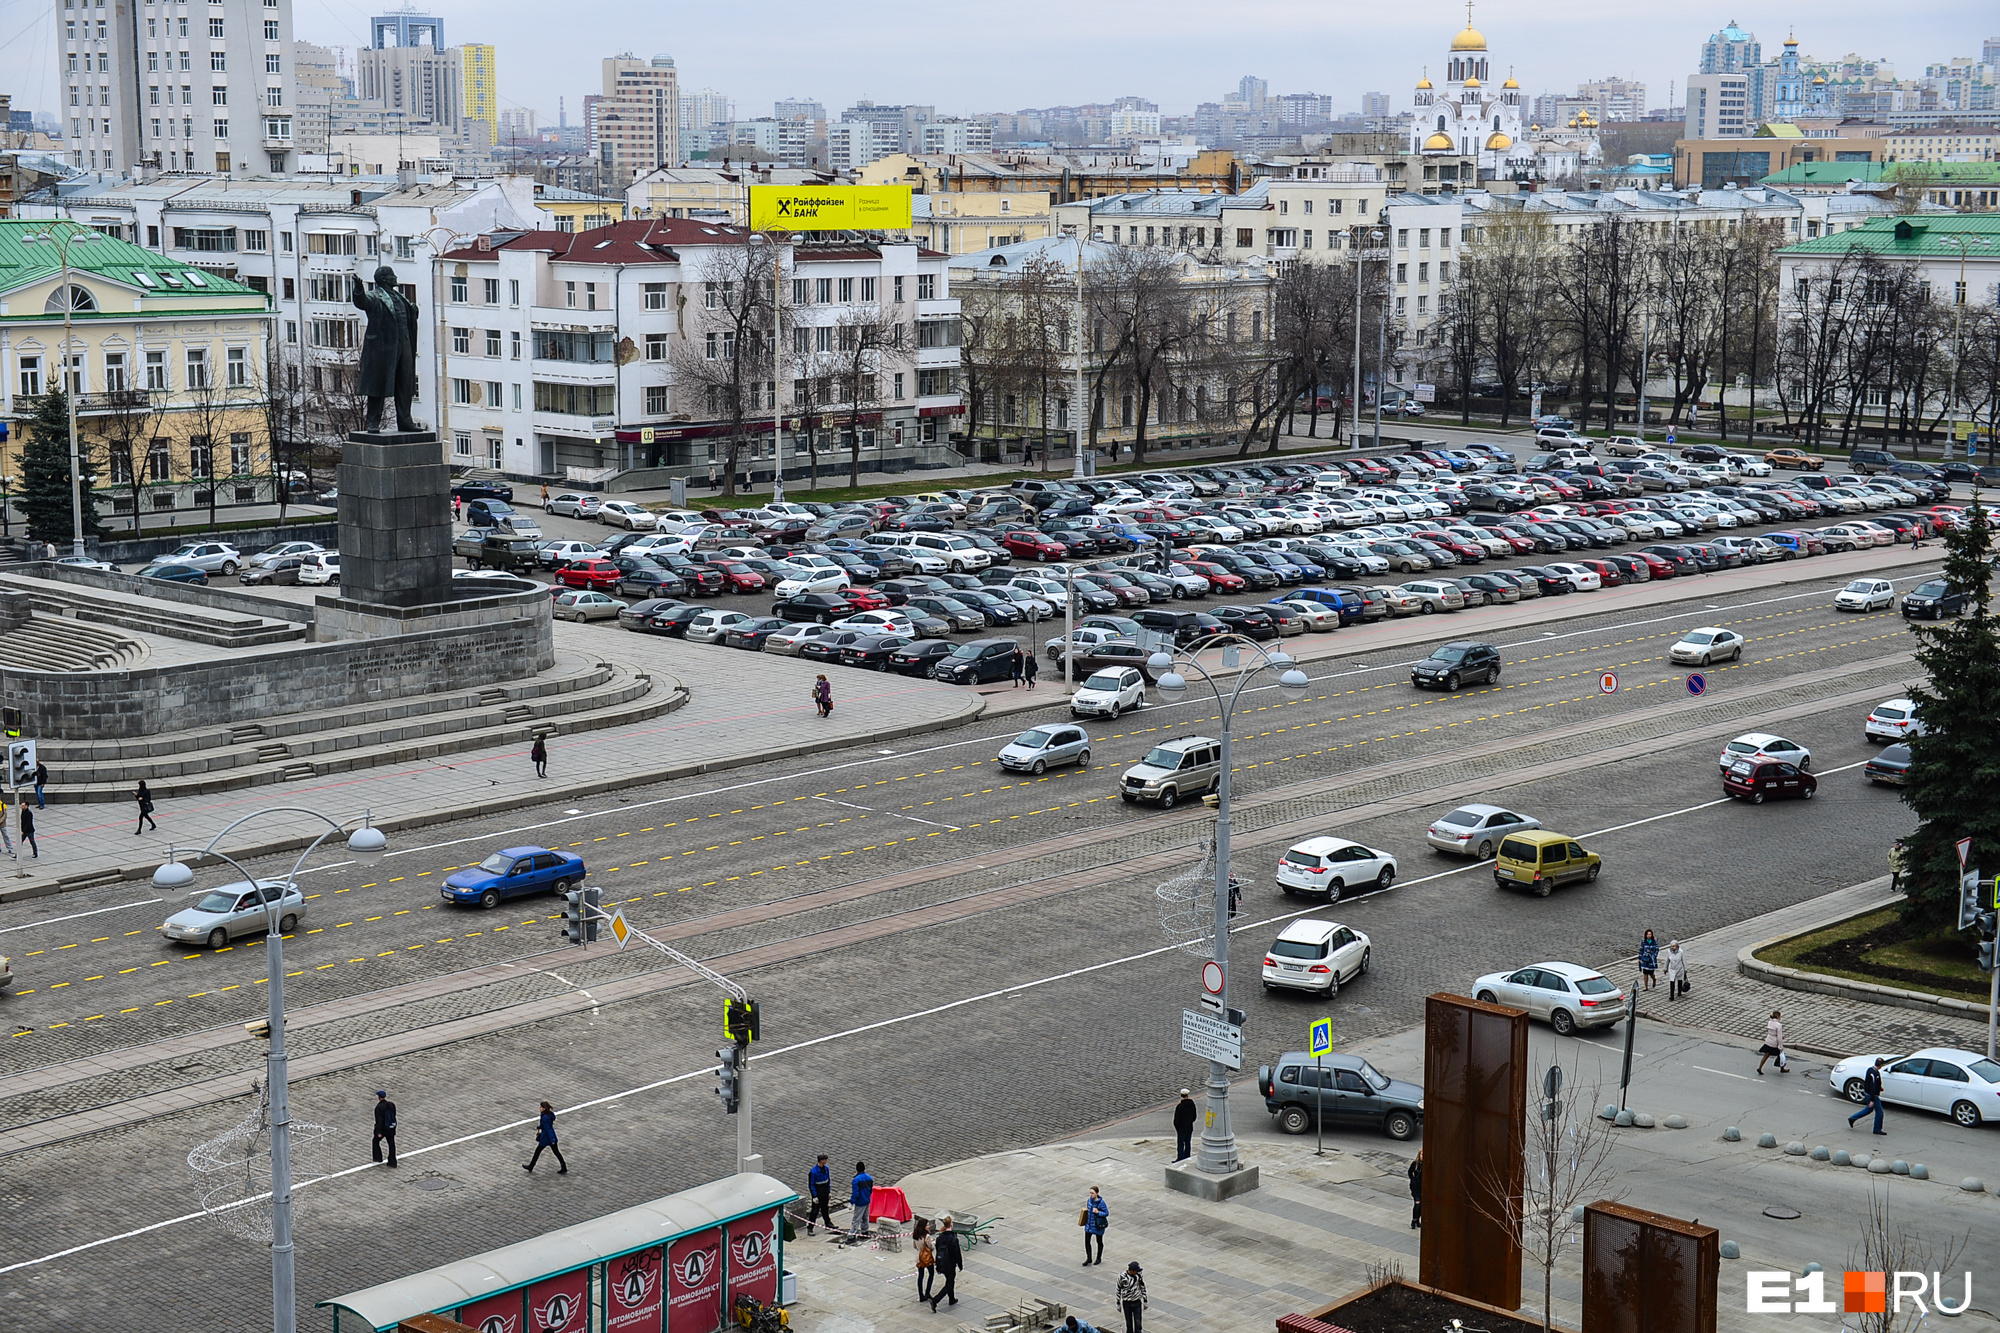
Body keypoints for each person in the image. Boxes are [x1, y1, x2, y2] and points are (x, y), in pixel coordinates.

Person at [928, 1214, 963, 1310]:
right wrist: (960, 1265)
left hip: (941, 1263)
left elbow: (938, 1250)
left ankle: (951, 1299)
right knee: (949, 1284)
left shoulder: (940, 1238)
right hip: (950, 1265)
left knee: (949, 1280)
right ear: (951, 1225)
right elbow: (957, 1253)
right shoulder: (953, 1239)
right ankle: (935, 1301)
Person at [524, 1100, 567, 1174]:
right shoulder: (549, 1115)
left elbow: (548, 1129)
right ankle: (564, 1167)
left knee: (538, 1151)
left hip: (546, 1138)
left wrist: (552, 1139)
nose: (539, 1108)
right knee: (556, 1152)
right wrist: (539, 1127)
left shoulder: (544, 1117)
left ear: (544, 1108)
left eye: (541, 1107)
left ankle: (531, 1166)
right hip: (550, 1137)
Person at [1848, 1058, 1888, 1134]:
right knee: (1879, 1112)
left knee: (1869, 1109)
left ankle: (1853, 1118)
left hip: (1868, 1093)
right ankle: (1877, 1129)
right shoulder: (1875, 1074)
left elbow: (1870, 1083)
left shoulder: (1870, 1070)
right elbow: (1873, 1086)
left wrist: (1879, 1087)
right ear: (1881, 1065)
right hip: (1873, 1095)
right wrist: (1872, 1100)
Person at [1116, 1261, 1148, 1333]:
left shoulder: (1139, 1275)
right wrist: (1118, 1302)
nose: (1137, 1272)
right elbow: (1118, 1289)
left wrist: (1145, 1300)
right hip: (1127, 1302)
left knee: (1138, 1324)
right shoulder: (1122, 1276)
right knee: (1129, 1324)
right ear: (1132, 1270)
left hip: (1137, 1302)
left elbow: (1142, 1286)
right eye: (1136, 1270)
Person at [805, 1154, 833, 1235]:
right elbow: (811, 1185)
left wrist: (829, 1191)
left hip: (825, 1192)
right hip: (818, 1193)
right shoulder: (813, 1172)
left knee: (825, 1208)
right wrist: (814, 1196)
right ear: (821, 1160)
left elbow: (828, 1180)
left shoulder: (826, 1169)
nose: (826, 1161)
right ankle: (810, 1227)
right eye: (825, 1159)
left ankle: (828, 1223)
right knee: (815, 1211)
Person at [1081, 1185, 1108, 1267]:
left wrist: (1098, 1212)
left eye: (1092, 1193)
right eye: (1090, 1193)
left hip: (1097, 1226)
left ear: (1097, 1193)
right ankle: (1089, 1258)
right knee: (1087, 1242)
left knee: (1099, 1242)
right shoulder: (1089, 1201)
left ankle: (1098, 1258)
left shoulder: (1101, 1203)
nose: (1091, 1195)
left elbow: (1106, 1213)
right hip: (1089, 1225)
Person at [1757, 1010, 1789, 1075]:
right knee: (1781, 1055)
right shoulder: (1779, 1025)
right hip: (1774, 1043)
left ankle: (1760, 1067)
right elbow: (1779, 1037)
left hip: (1769, 1040)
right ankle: (1782, 1068)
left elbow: (1772, 1032)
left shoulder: (1769, 1022)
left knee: (1766, 1055)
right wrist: (1780, 1045)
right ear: (1778, 1017)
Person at [372, 1090, 398, 1167]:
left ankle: (378, 1158)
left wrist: (378, 1132)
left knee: (375, 1141)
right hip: (391, 1128)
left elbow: (379, 1121)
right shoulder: (391, 1104)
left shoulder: (378, 1108)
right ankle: (392, 1161)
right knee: (391, 1144)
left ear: (379, 1097)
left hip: (383, 1129)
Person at [913, 1215, 935, 1302]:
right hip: (927, 1258)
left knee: (920, 1276)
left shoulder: (915, 1235)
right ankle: (927, 1292)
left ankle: (921, 1295)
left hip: (919, 1258)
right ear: (924, 1226)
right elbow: (931, 1247)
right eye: (928, 1225)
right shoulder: (927, 1236)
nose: (929, 1226)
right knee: (931, 1274)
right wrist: (933, 1243)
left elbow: (914, 1246)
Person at [1171, 1089, 1197, 1162]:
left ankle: (1180, 1157)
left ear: (1181, 1095)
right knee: (1188, 1142)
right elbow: (1194, 1116)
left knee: (1180, 1143)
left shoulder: (1180, 1106)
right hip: (1189, 1127)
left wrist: (1177, 1127)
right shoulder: (1192, 1104)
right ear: (1188, 1095)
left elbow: (1176, 1120)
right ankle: (1187, 1156)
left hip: (1181, 1128)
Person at [849, 1161, 873, 1237]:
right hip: (867, 1200)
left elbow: (855, 1193)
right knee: (865, 1218)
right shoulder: (869, 1178)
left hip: (860, 1202)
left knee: (856, 1219)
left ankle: (852, 1234)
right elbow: (870, 1190)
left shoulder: (856, 1180)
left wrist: (851, 1202)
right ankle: (865, 1231)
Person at [1408, 1148, 1423, 1229]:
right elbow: (1410, 1172)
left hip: (1423, 1188)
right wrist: (1413, 1180)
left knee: (1421, 1205)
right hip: (1415, 1187)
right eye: (1422, 1154)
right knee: (1417, 1204)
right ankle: (1414, 1220)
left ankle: (1417, 1220)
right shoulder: (1415, 1163)